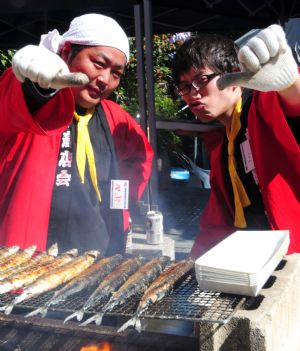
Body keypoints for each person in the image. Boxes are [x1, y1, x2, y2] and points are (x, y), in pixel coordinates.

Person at [0, 13, 154, 256]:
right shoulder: (38, 106)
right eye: (99, 63)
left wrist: (120, 206)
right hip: (29, 258)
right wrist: (33, 85)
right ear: (66, 52)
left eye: (116, 73)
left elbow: (141, 157)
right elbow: (9, 102)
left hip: (99, 256)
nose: (105, 79)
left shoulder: (115, 117)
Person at [172, 24, 300, 258]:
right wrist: (190, 266)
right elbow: (216, 224)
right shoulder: (222, 149)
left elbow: (294, 105)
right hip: (258, 265)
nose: (193, 94)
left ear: (234, 74)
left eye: (201, 79)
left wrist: (290, 84)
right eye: (185, 87)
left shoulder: (263, 107)